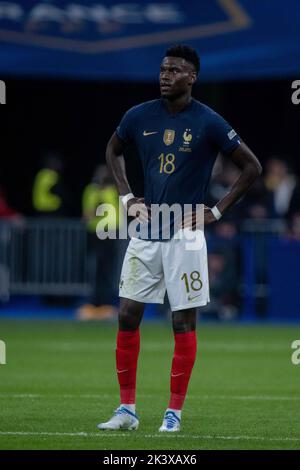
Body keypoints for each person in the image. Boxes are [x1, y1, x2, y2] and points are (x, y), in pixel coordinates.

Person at [98, 44, 261, 432]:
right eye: (163, 69)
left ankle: (173, 414)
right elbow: (113, 149)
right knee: (126, 314)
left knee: (182, 322)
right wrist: (126, 197)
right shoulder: (138, 116)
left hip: (185, 237)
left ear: (193, 77)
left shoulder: (209, 121)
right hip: (147, 232)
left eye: (174, 70)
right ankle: (127, 411)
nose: (165, 75)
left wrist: (216, 210)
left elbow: (251, 167)